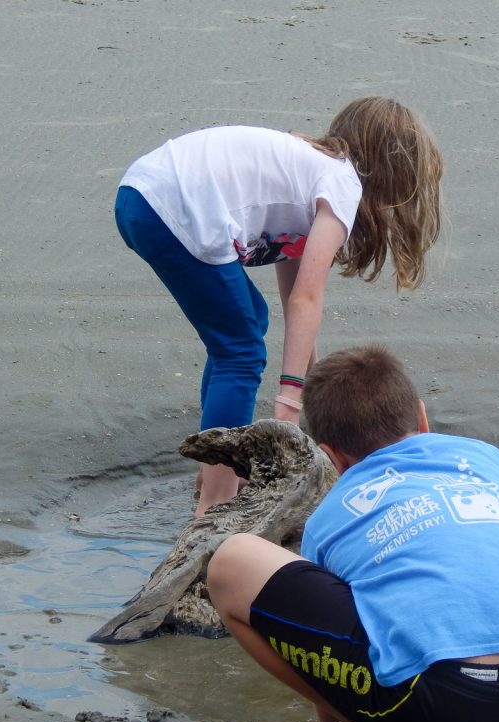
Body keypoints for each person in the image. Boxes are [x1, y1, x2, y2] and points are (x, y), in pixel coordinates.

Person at [207, 345, 499, 722]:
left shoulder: (332, 512)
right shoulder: (477, 456)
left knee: (230, 559)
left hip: (431, 711)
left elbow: (329, 637)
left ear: (330, 455)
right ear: (421, 417)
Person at [114, 97, 443, 517]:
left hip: (141, 196)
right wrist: (290, 403)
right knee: (241, 350)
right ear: (392, 172)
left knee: (246, 326)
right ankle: (214, 505)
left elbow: (293, 302)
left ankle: (213, 471)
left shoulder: (304, 170)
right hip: (171, 203)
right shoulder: (342, 183)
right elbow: (308, 296)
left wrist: (318, 380)